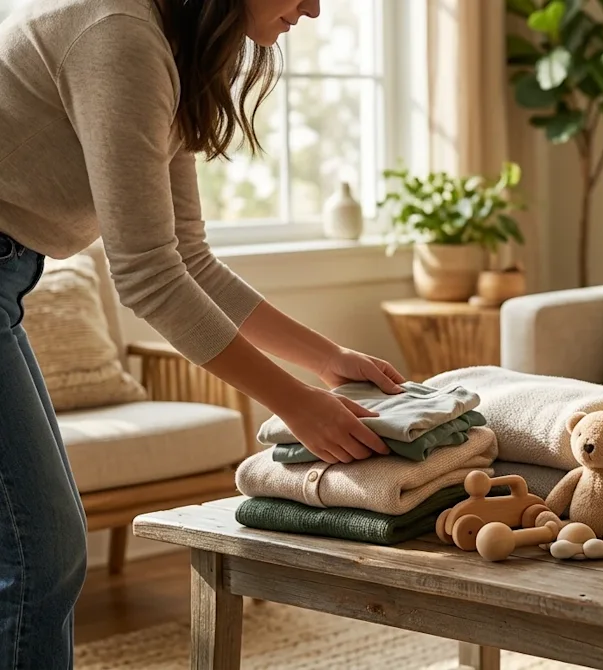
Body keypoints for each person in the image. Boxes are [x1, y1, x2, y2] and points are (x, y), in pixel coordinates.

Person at [0, 0, 402, 665]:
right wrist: (298, 404)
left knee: (35, 552)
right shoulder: (120, 37)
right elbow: (148, 276)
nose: (316, 8)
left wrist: (327, 359)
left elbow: (188, 257)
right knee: (39, 555)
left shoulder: (167, 46)